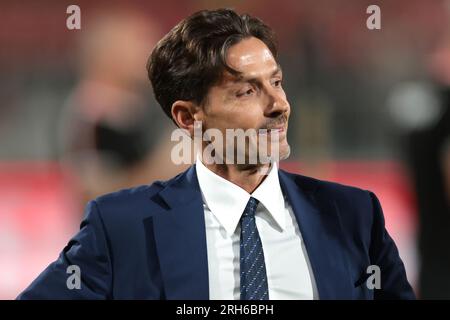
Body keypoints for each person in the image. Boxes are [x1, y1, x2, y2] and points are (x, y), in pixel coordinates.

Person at [18, 8, 415, 300]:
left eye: (276, 81)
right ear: (189, 118)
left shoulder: (353, 217)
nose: (279, 104)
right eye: (246, 91)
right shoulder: (120, 227)